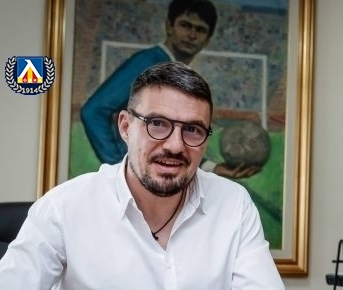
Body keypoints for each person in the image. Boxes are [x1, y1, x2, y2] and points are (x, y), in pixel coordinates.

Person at [0, 62, 297, 290]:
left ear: (206, 140)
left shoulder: (233, 203)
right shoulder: (65, 207)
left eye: (192, 130)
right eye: (157, 124)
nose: (175, 145)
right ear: (125, 127)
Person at [80, 0, 258, 178]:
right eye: (185, 25)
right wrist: (119, 166)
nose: (191, 35)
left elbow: (171, 141)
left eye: (200, 30)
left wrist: (213, 168)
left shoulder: (179, 71)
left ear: (207, 39)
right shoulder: (147, 62)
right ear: (169, 26)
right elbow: (93, 111)